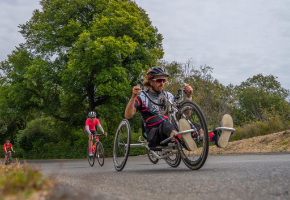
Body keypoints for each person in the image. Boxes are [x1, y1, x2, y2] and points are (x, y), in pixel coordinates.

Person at [124, 66, 233, 150]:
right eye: (159, 80)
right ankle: (183, 140)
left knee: (195, 125)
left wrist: (188, 97)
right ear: (151, 81)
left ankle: (215, 138)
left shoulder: (168, 96)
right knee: (166, 124)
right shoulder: (142, 96)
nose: (162, 83)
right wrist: (133, 96)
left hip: (171, 130)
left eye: (164, 80)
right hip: (153, 133)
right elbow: (128, 115)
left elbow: (186, 115)